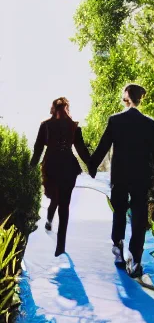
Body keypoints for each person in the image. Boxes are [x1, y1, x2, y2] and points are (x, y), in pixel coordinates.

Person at [89, 83, 154, 278]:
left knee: (120, 211)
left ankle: (118, 247)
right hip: (141, 177)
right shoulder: (149, 123)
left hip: (120, 176)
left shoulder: (115, 120)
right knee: (139, 218)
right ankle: (136, 260)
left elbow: (103, 146)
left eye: (123, 98)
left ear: (127, 98)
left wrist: (92, 166)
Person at [30, 97, 92, 257]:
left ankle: (50, 223)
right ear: (67, 108)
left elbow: (38, 148)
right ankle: (60, 245)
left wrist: (31, 167)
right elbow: (81, 149)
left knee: (55, 199)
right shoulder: (73, 127)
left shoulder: (45, 126)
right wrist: (91, 166)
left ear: (53, 108)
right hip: (68, 168)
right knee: (64, 204)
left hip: (51, 167)